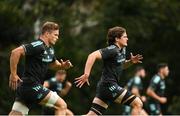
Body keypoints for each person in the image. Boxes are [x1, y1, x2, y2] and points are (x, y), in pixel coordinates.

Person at [75, 26, 144, 115]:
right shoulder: (112, 49)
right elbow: (92, 55)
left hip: (104, 87)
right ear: (117, 39)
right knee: (137, 103)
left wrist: (131, 62)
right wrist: (86, 74)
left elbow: (121, 66)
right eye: (125, 37)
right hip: (109, 86)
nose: (127, 38)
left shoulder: (122, 50)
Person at [9, 21, 73, 115]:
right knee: (62, 105)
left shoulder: (50, 49)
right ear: (47, 33)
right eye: (55, 35)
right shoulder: (38, 45)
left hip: (27, 88)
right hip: (31, 86)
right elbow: (15, 52)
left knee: (16, 113)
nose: (57, 37)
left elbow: (53, 65)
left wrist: (63, 66)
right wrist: (13, 74)